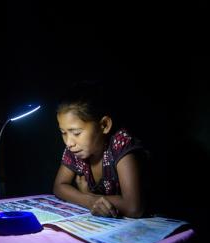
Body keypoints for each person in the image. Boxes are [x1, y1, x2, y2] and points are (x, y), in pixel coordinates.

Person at [53, 81, 147, 218]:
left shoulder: (121, 144)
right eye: (63, 132)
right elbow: (59, 186)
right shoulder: (76, 148)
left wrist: (88, 195)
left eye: (77, 132)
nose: (69, 142)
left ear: (104, 125)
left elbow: (134, 207)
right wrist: (90, 201)